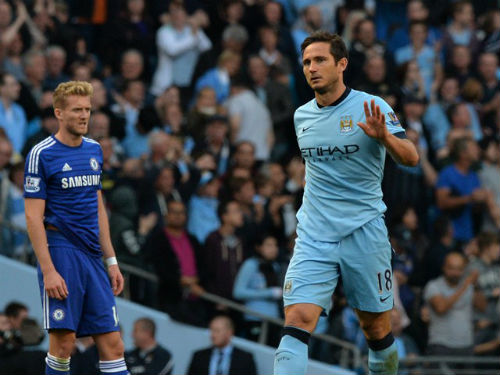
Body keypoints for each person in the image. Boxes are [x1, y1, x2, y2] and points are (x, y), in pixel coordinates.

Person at [273, 31, 419, 375]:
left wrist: (385, 137)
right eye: (307, 61)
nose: (312, 68)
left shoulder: (372, 106)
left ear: (341, 64)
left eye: (320, 60)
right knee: (297, 319)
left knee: (377, 330)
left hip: (364, 231)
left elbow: (410, 157)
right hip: (314, 233)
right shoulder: (301, 117)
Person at [23, 81, 129, 375]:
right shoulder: (41, 154)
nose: (84, 116)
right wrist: (48, 270)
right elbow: (33, 218)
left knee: (113, 344)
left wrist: (112, 261)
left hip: (92, 255)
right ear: (59, 112)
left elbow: (98, 209)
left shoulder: (94, 150)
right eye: (77, 110)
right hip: (60, 251)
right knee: (64, 343)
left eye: (87, 110)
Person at [187, 315, 256, 375]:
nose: (213, 335)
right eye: (211, 330)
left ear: (229, 333)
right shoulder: (199, 356)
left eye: (217, 331)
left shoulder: (245, 359)